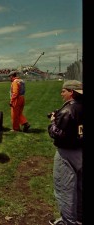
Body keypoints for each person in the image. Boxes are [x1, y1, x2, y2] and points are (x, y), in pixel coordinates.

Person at [48, 80, 83, 225]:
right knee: (80, 187)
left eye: (64, 91)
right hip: (81, 149)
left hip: (67, 153)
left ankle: (67, 221)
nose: (62, 94)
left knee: (65, 189)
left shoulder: (68, 110)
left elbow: (56, 133)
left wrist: (52, 122)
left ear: (72, 92)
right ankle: (80, 218)